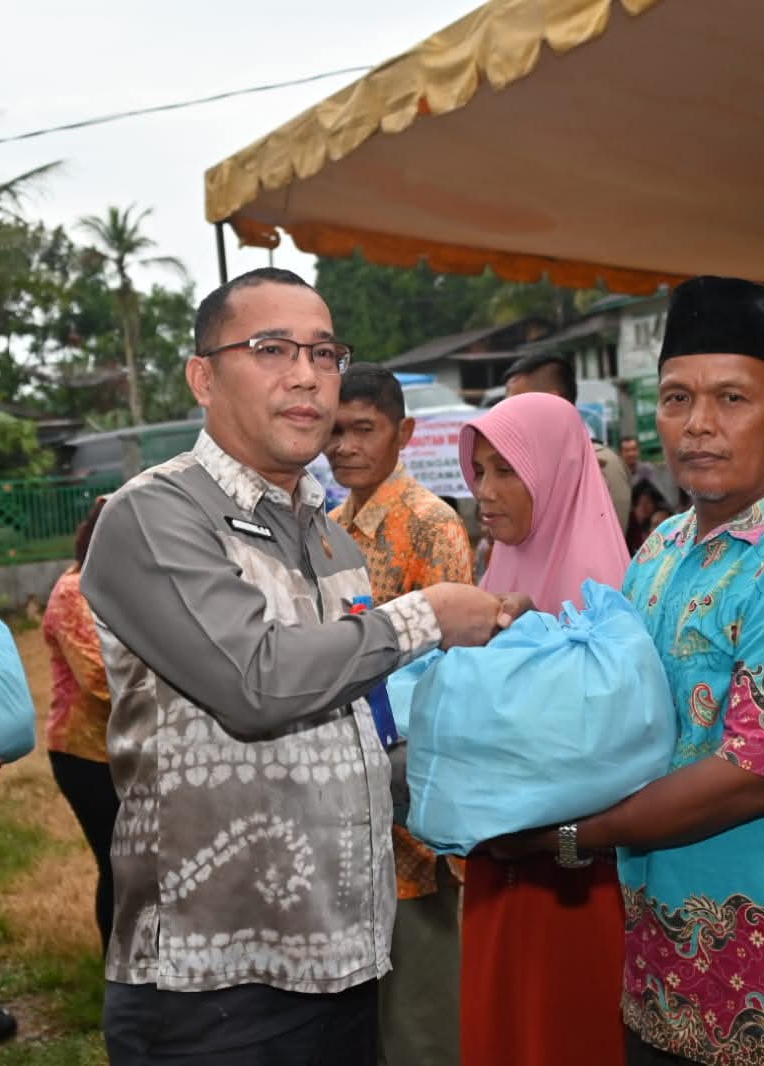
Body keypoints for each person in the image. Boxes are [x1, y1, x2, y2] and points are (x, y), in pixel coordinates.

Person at [81, 267, 524, 1066]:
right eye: (271, 349)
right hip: (210, 977)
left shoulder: (327, 534)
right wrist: (426, 615)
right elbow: (256, 684)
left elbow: (349, 727)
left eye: (324, 354)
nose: (306, 375)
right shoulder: (155, 513)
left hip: (344, 956)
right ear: (202, 378)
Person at [494, 276, 764, 1065]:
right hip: (661, 972)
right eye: (677, 398)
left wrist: (568, 836)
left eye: (731, 399)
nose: (698, 425)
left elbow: (749, 779)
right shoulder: (662, 548)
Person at [457, 391, 633, 1066]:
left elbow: (608, 756)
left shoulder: (602, 592)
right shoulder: (500, 570)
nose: (484, 491)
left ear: (556, 474)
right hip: (496, 863)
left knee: (561, 1032)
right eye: (480, 470)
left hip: (572, 877)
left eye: (507, 471)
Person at [323, 363, 475, 1066]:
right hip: (343, 800)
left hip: (411, 806)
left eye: (363, 429)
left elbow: (454, 672)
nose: (344, 447)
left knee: (420, 1016)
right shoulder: (328, 529)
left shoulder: (431, 525)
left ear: (404, 433)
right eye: (334, 431)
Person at [42, 497, 116, 952]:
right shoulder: (75, 591)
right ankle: (125, 973)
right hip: (87, 755)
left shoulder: (131, 585)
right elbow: (101, 679)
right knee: (120, 866)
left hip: (130, 750)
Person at [503, 352, 632, 530]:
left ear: (554, 402)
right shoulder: (530, 465)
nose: (509, 417)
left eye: (517, 406)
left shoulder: (599, 465)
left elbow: (604, 541)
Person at [626, 481, 670, 555]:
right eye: (639, 503)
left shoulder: (660, 517)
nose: (643, 507)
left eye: (648, 502)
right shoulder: (628, 529)